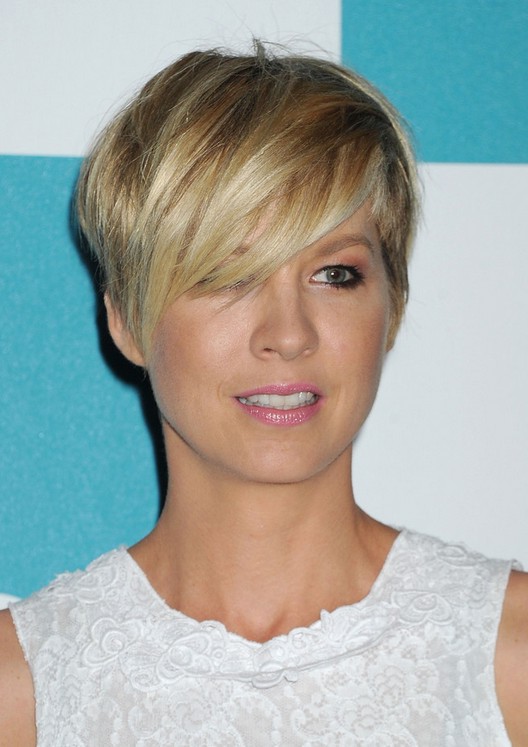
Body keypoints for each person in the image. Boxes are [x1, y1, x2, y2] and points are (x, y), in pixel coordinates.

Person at [0, 43, 527, 746]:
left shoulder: (509, 657)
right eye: (227, 275)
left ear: (392, 306)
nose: (288, 334)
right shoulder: (24, 689)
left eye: (335, 274)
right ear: (126, 319)